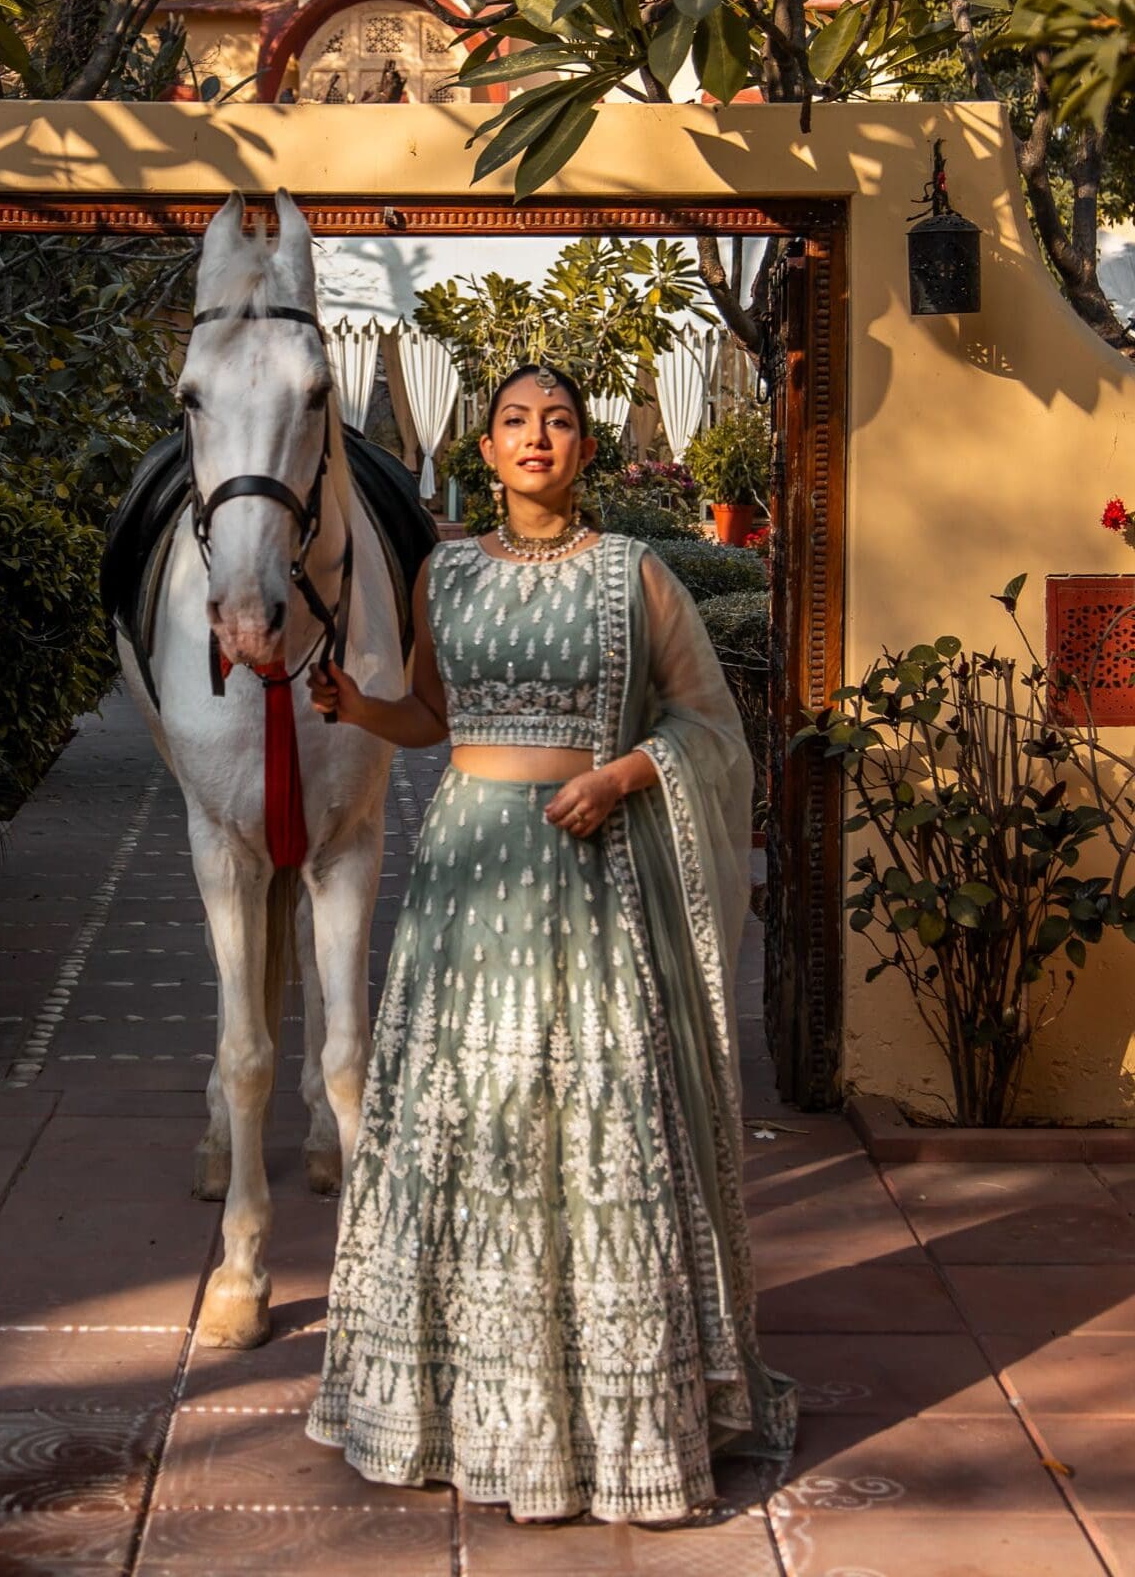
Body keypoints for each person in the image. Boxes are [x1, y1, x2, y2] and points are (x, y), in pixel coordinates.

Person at [303, 363, 796, 1525]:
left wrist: (622, 772)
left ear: (586, 451)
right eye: (516, 421)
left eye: (559, 421)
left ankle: (609, 1415)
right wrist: (352, 706)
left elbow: (707, 724)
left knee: (591, 1120)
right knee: (464, 1121)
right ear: (486, 448)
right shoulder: (448, 571)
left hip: (591, 877)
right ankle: (449, 1406)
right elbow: (435, 714)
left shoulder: (636, 575)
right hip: (465, 879)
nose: (537, 437)